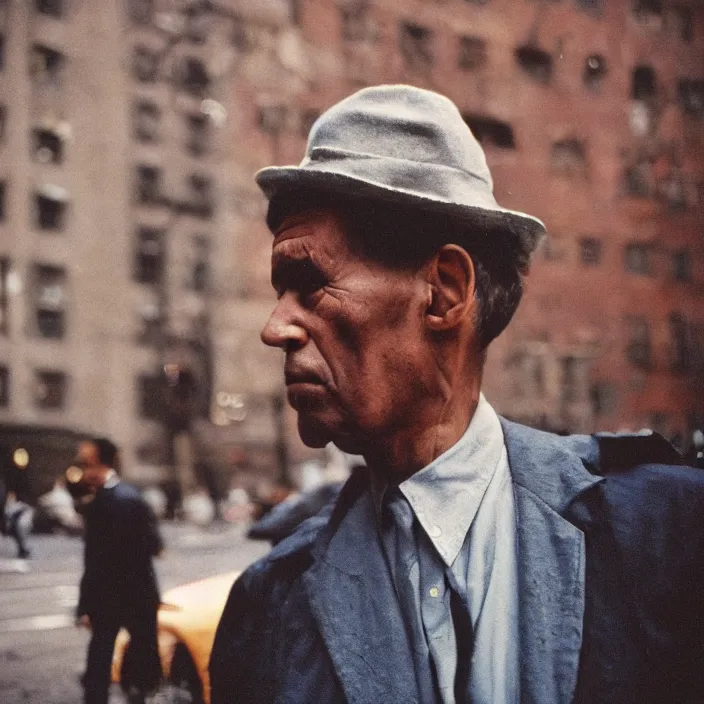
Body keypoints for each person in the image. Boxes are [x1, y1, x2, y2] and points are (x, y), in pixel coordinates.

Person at [209, 85, 704, 704]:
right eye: (280, 291)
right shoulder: (268, 606)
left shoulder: (670, 533)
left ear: (444, 291)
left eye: (310, 282)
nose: (275, 326)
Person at [74, 437, 163, 704]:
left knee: (102, 663)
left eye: (85, 462)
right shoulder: (127, 496)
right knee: (136, 665)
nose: (81, 469)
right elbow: (155, 545)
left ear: (98, 463)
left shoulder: (109, 501)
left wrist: (86, 605)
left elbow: (96, 560)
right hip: (135, 594)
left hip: (113, 595)